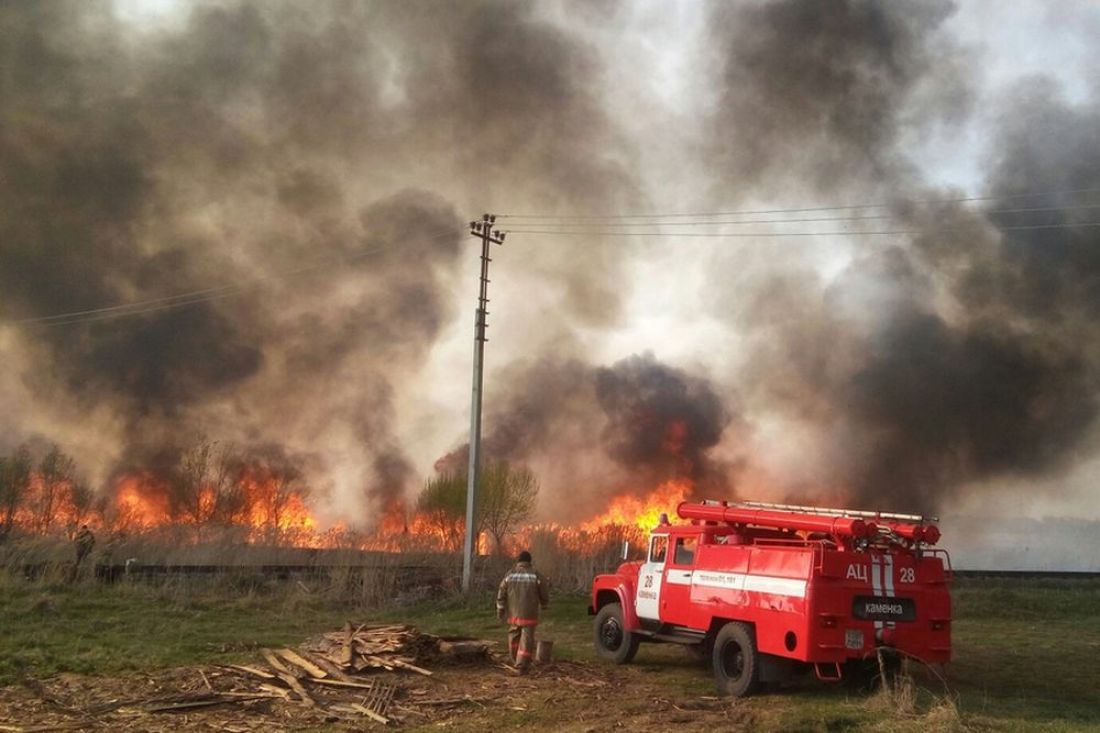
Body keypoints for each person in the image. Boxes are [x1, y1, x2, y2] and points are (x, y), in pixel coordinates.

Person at [496, 550, 550, 673]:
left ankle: (514, 659)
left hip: (513, 614)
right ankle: (521, 666)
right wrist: (545, 604)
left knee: (514, 636)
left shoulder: (509, 575)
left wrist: (500, 609)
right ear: (529, 562)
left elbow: (501, 593)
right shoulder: (535, 574)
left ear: (518, 561)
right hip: (529, 614)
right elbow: (544, 591)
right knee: (526, 639)